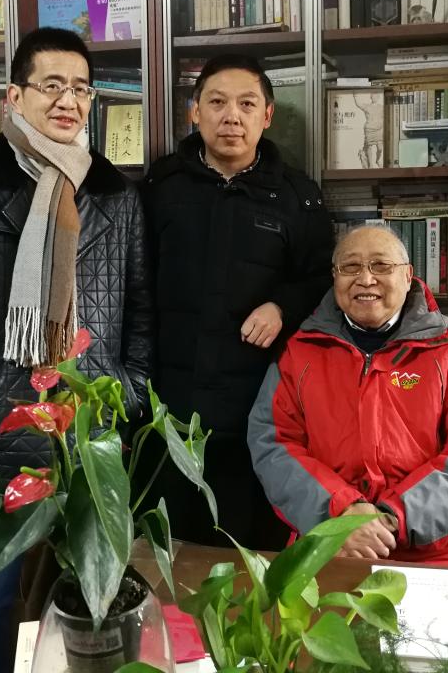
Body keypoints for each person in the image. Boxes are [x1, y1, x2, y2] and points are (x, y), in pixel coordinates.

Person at [0, 27, 152, 672]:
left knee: (96, 599)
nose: (68, 100)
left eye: (81, 89)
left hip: (91, 433)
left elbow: (140, 303)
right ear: (15, 97)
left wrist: (129, 388)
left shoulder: (115, 192)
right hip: (4, 430)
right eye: (52, 85)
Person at [142, 53, 334, 551]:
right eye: (217, 103)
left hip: (257, 415)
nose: (232, 116)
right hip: (168, 409)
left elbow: (324, 278)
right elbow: (133, 284)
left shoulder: (298, 197)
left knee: (248, 553)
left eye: (247, 104)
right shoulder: (160, 187)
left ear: (267, 116)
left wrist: (282, 307)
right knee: (166, 553)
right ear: (195, 112)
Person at [248, 224, 448, 567]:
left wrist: (390, 518)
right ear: (334, 277)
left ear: (408, 276)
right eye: (350, 267)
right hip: (330, 540)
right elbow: (273, 444)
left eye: (381, 266)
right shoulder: (299, 351)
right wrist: (342, 514)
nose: (365, 279)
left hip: (440, 552)